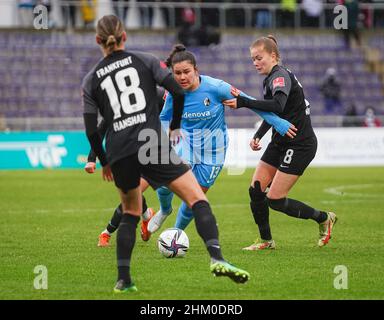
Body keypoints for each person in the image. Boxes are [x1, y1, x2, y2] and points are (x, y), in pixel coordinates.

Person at [82, 14, 250, 293]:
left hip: (119, 150)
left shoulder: (90, 79)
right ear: (124, 37)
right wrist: (173, 126)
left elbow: (92, 128)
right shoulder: (146, 61)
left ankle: (124, 280)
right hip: (150, 143)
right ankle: (217, 258)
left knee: (131, 212)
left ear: (98, 41)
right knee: (196, 197)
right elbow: (176, 90)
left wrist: (103, 161)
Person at [148, 44, 297, 234]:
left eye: (186, 72)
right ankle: (165, 209)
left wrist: (278, 123)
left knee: (195, 195)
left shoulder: (217, 87)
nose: (182, 77)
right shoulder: (174, 93)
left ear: (196, 70)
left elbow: (251, 102)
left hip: (214, 149)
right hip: (186, 142)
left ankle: (175, 234)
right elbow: (163, 117)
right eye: (177, 73)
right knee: (166, 180)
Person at [223, 35, 338, 251]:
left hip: (299, 143)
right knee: (256, 189)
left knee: (275, 199)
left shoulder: (280, 76)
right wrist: (259, 134)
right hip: (280, 141)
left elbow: (277, 104)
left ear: (273, 56)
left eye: (259, 58)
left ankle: (324, 218)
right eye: (253, 59)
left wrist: (244, 102)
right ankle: (267, 241)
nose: (255, 63)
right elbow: (275, 111)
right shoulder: (270, 79)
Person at [85, 86, 167, 246]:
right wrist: (91, 158)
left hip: (152, 153)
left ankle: (106, 233)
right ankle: (146, 216)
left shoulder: (157, 94)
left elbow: (177, 110)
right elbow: (101, 130)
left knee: (131, 194)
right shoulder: (116, 103)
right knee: (132, 193)